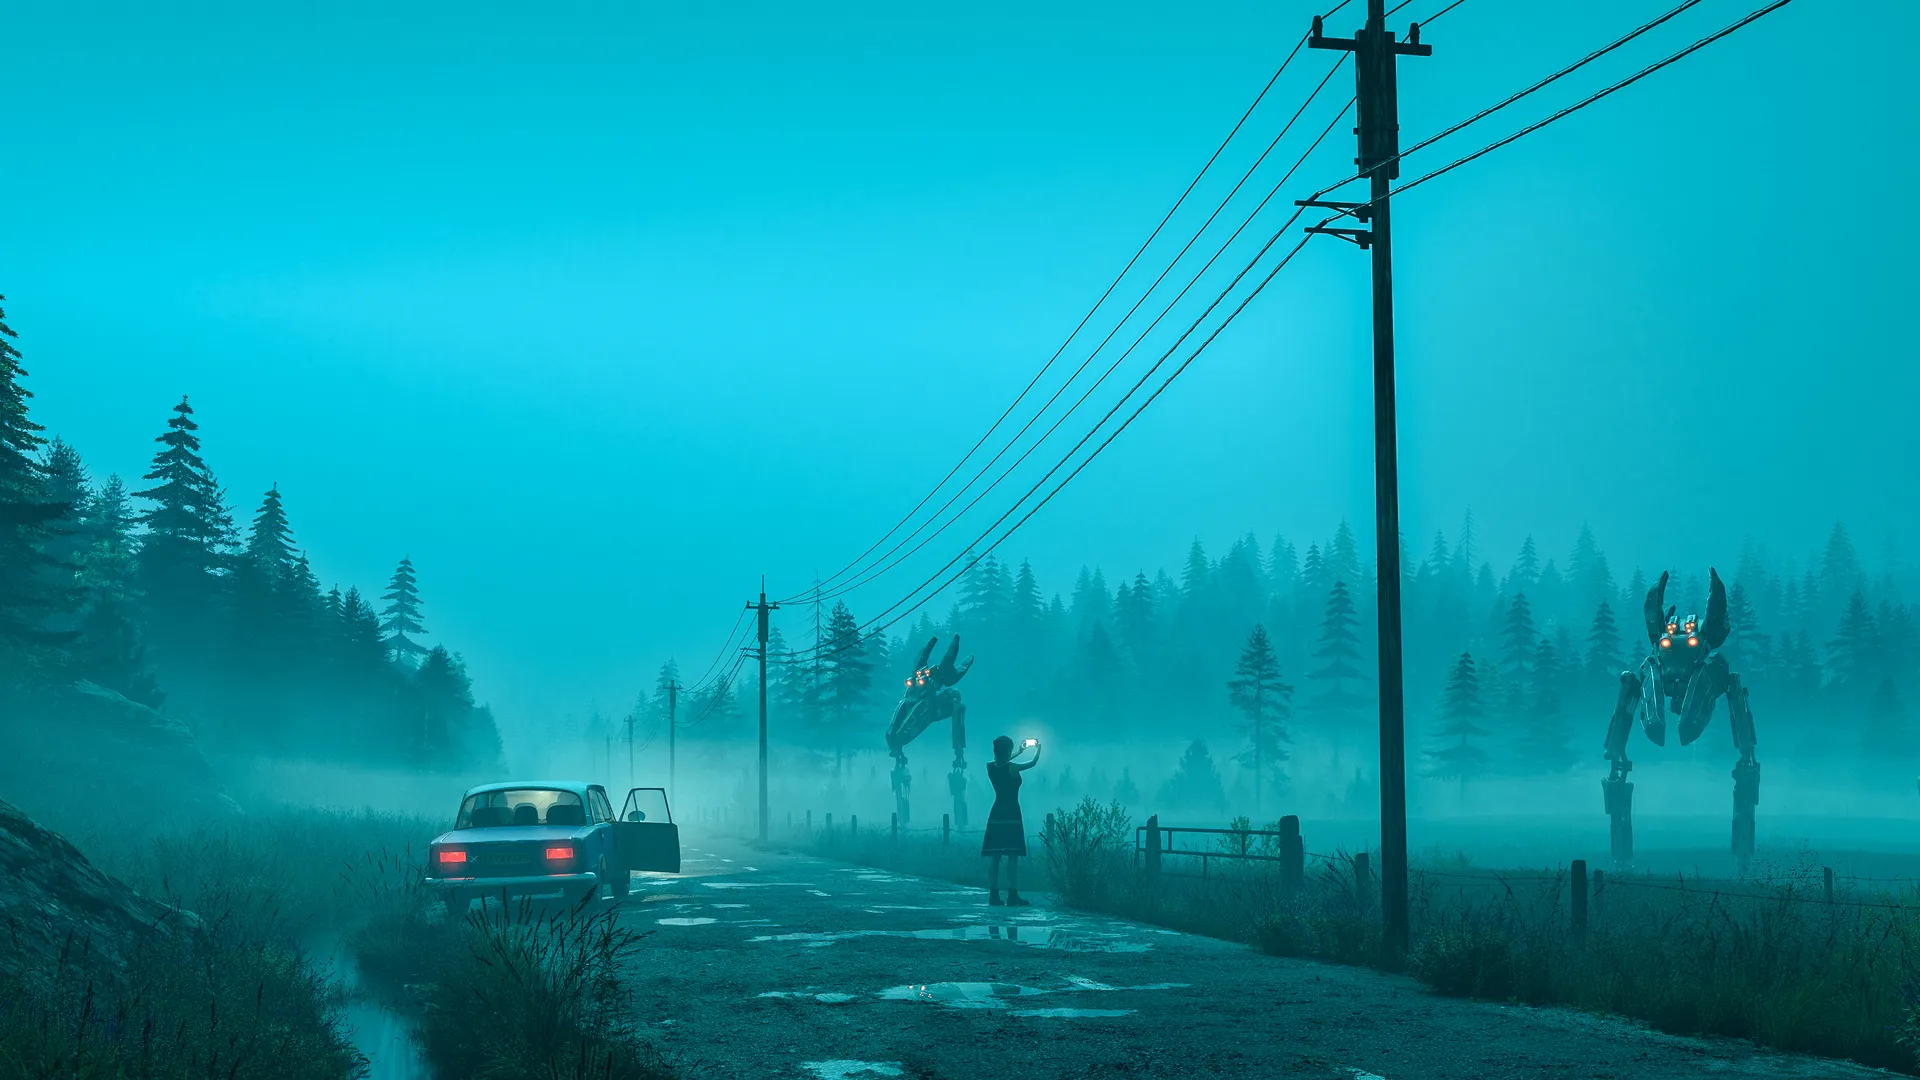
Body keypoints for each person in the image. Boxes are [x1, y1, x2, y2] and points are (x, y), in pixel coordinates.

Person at [982, 734, 1040, 906]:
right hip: (1012, 813)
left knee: (996, 856)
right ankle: (1012, 894)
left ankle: (993, 894)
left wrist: (1018, 752)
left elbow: (1002, 762)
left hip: (996, 812)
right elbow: (1032, 763)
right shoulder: (1013, 768)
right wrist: (1038, 750)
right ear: (1007, 750)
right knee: (1013, 855)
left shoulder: (990, 767)